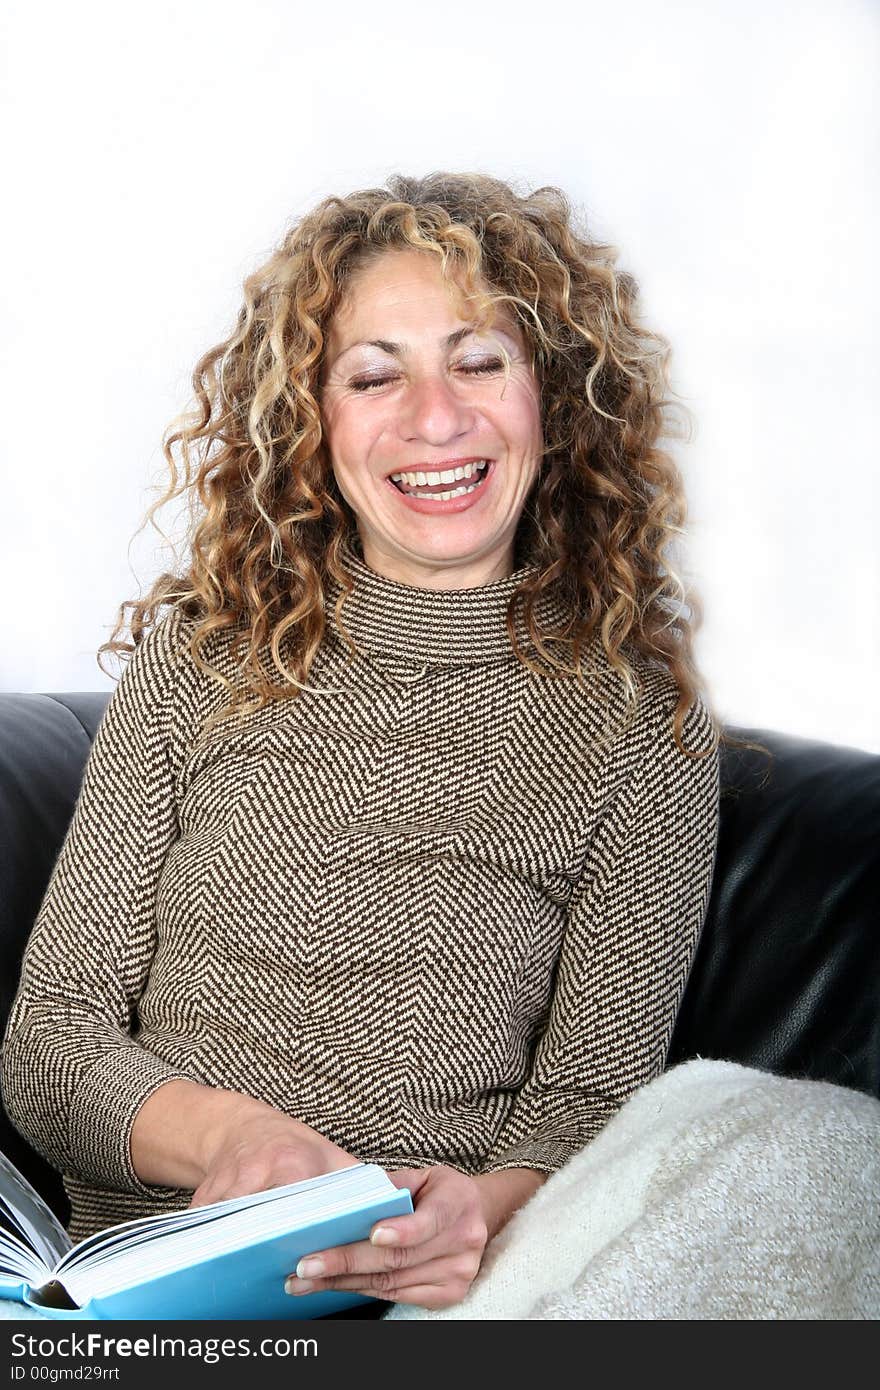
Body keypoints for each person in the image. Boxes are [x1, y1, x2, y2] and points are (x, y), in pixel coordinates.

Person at [0, 172, 720, 1315]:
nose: (435, 418)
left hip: (444, 1299)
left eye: (479, 360)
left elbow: (589, 1105)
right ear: (311, 421)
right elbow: (49, 1039)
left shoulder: (642, 725)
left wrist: (473, 1217)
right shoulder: (207, 655)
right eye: (374, 375)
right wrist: (236, 1143)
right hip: (149, 1288)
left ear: (555, 399)